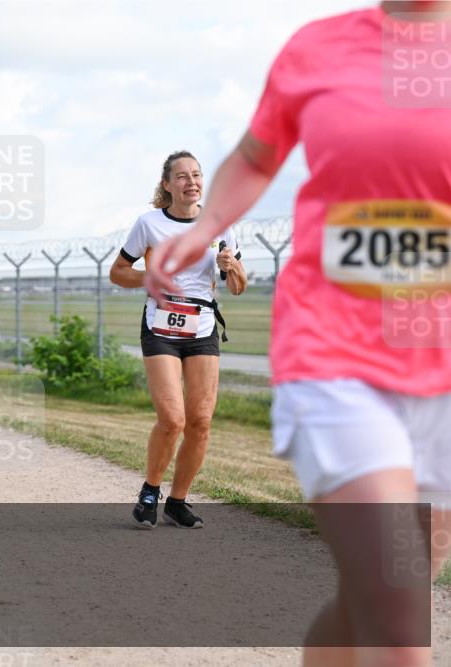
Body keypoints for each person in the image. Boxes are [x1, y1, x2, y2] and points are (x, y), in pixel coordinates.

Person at [147, 3, 450, 664]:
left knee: (381, 594)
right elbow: (257, 157)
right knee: (400, 617)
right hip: (334, 352)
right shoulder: (320, 47)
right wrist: (205, 226)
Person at [110, 150, 246, 530]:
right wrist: (148, 278)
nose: (192, 182)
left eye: (197, 175)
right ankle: (150, 491)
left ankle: (178, 502)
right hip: (161, 327)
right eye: (182, 176)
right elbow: (118, 272)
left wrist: (231, 266)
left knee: (200, 422)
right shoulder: (149, 224)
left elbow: (237, 288)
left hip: (202, 328)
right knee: (173, 419)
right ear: (167, 185)